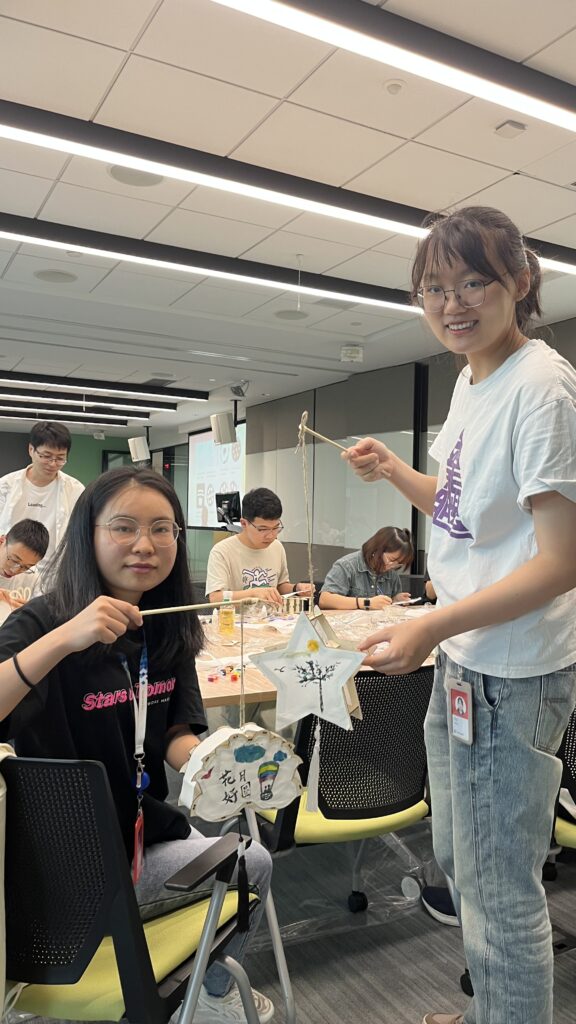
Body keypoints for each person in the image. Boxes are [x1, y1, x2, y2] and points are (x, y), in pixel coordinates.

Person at [344, 206, 576, 1024]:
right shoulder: (471, 376)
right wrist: (395, 472)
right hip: (466, 660)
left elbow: (561, 560)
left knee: (497, 883)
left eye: (472, 280)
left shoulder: (541, 387)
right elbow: (459, 508)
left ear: (520, 280)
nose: (452, 303)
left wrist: (432, 625)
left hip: (509, 670)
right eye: (433, 288)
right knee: (461, 859)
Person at [0, 467, 274, 1024]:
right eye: (123, 527)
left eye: (162, 529)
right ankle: (204, 996)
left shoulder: (167, 626)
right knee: (250, 864)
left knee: (245, 852)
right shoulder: (42, 620)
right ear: (89, 534)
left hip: (134, 831)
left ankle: (200, 996)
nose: (145, 545)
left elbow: (176, 733)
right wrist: (64, 638)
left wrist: (218, 765)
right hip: (59, 866)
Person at [206, 487, 313, 606]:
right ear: (244, 524)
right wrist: (253, 593)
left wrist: (296, 589)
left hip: (272, 620)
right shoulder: (222, 551)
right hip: (236, 622)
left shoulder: (277, 547)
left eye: (276, 528)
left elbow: (280, 586)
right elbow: (215, 598)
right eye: (263, 529)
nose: (271, 536)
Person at [0, 421, 84, 563]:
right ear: (31, 450)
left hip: (53, 569)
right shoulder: (5, 486)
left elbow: (82, 533)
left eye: (60, 458)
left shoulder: (75, 490)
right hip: (10, 566)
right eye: (46, 456)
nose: (52, 463)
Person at [318, 526, 412, 610]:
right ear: (377, 549)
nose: (392, 566)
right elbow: (325, 600)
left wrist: (395, 600)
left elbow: (387, 607)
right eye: (391, 560)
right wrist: (367, 603)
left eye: (398, 564)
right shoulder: (347, 565)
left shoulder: (391, 573)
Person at [0, 519, 49, 625]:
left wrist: (30, 613)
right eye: (13, 560)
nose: (15, 570)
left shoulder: (32, 578)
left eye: (26, 567)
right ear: (1, 541)